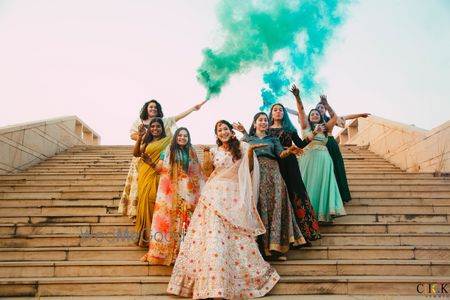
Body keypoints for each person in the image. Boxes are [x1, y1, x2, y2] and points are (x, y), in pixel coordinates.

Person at [167, 120, 279, 299]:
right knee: (213, 237)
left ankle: (231, 282)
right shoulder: (214, 150)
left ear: (231, 131)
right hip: (213, 196)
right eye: (219, 130)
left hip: (234, 196)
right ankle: (212, 284)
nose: (223, 132)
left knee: (235, 238)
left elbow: (249, 169)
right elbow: (207, 171)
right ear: (216, 134)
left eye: (225, 129)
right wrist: (205, 154)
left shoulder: (242, 147)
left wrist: (250, 153)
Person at [118, 99, 207, 221]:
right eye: (151, 107)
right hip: (146, 156)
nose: (153, 109)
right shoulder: (139, 121)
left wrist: (193, 108)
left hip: (164, 158)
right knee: (141, 189)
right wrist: (146, 136)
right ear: (146, 109)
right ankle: (138, 213)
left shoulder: (164, 121)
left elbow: (179, 117)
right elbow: (132, 136)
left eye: (155, 107)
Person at [238, 112, 306, 260]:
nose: (263, 122)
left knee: (276, 208)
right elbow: (238, 155)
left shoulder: (273, 139)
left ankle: (276, 249)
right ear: (254, 123)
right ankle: (259, 250)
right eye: (260, 120)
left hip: (274, 173)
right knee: (259, 207)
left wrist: (289, 151)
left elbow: (280, 154)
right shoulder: (247, 139)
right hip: (255, 174)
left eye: (265, 120)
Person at [141, 127, 205, 265]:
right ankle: (168, 253)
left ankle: (183, 253)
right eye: (180, 135)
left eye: (185, 136)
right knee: (170, 219)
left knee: (185, 220)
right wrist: (150, 163)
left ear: (188, 139)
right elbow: (159, 168)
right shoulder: (168, 150)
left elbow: (197, 173)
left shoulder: (192, 152)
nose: (182, 138)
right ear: (175, 137)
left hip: (187, 191)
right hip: (171, 191)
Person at [291, 84, 346, 222]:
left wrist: (326, 105)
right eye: (312, 114)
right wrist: (298, 97)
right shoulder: (306, 126)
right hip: (307, 158)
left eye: (317, 114)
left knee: (322, 184)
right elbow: (301, 110)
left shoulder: (326, 127)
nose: (314, 115)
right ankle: (306, 214)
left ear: (321, 116)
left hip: (323, 159)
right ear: (309, 117)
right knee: (306, 183)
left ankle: (323, 214)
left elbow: (334, 116)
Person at [268, 103, 320, 243]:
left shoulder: (289, 129)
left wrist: (313, 134)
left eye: (281, 110)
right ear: (271, 113)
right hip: (274, 162)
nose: (278, 112)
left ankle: (304, 232)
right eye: (275, 110)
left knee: (296, 191)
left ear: (284, 113)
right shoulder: (266, 129)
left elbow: (301, 144)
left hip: (290, 162)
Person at [316, 99, 370, 203]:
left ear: (326, 109)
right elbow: (300, 114)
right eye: (318, 108)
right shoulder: (312, 120)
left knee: (336, 167)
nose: (320, 109)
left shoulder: (331, 119)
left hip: (331, 144)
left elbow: (347, 117)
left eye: (322, 107)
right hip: (318, 146)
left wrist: (360, 115)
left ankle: (341, 195)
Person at [133, 118, 171, 247]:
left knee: (152, 202)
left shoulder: (168, 141)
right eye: (153, 126)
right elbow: (136, 153)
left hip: (159, 173)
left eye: (158, 126)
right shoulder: (147, 141)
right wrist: (140, 137)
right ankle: (144, 237)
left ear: (162, 128)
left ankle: (154, 237)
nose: (155, 128)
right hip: (145, 174)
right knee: (144, 203)